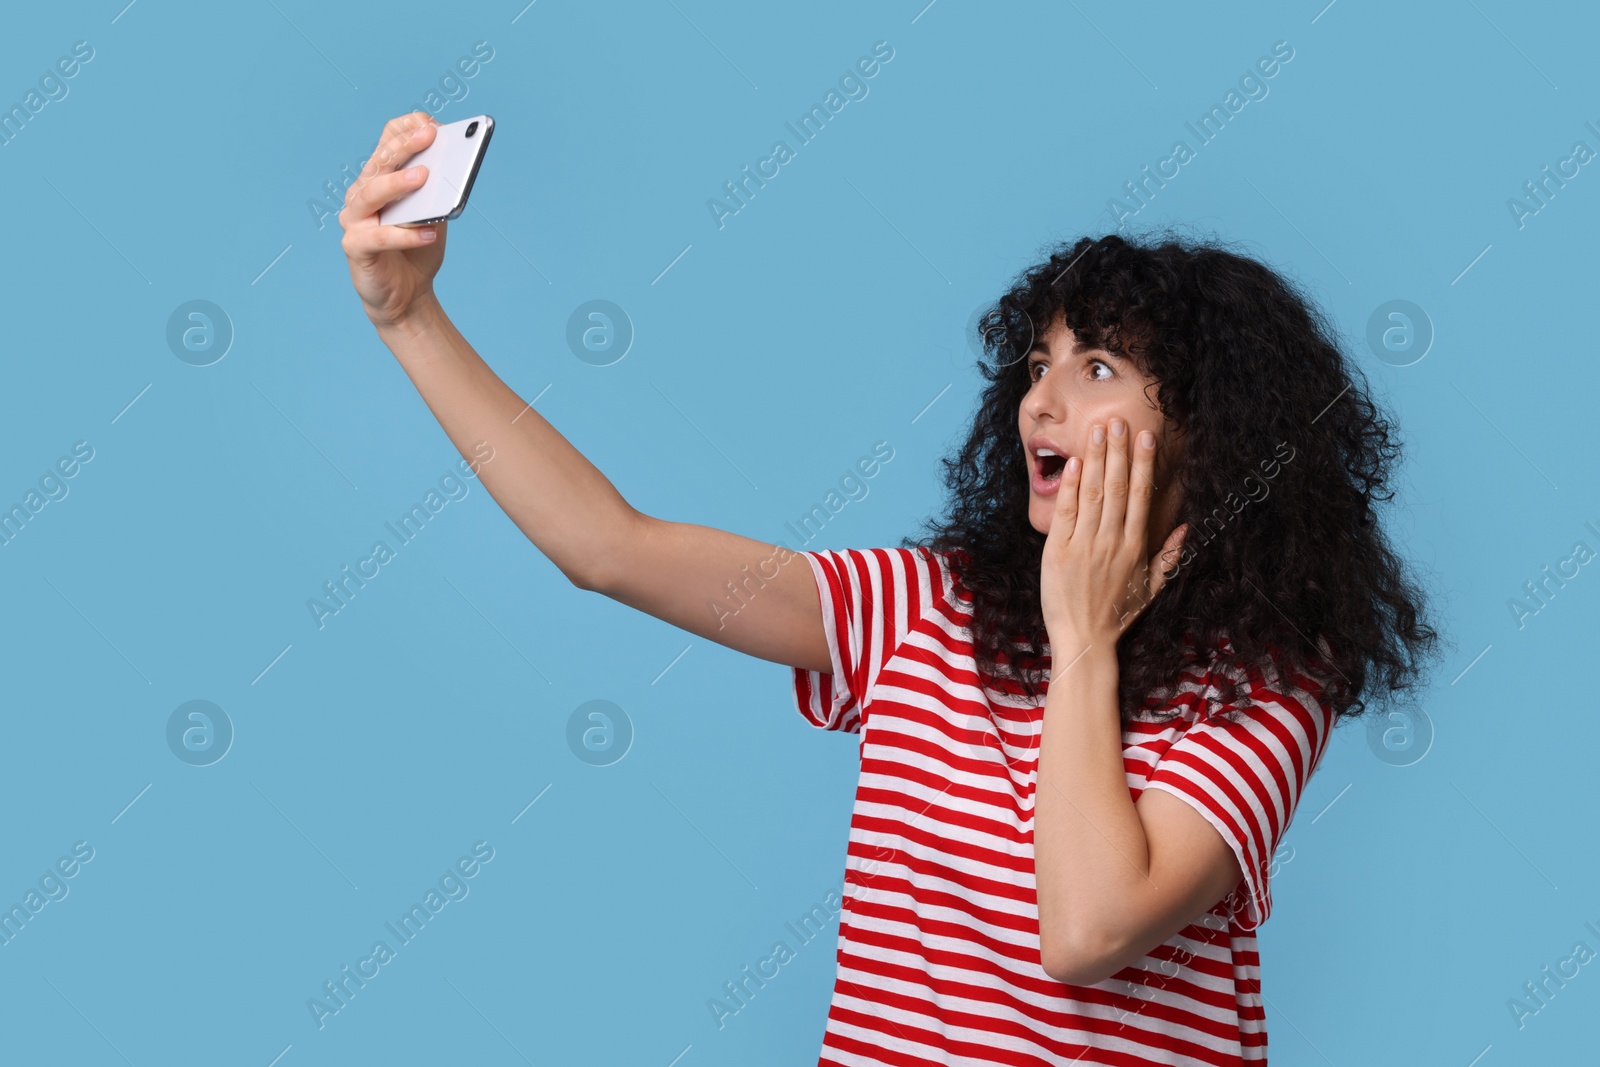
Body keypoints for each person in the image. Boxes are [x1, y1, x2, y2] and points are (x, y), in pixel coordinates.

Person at [340, 111, 1441, 1066]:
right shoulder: (925, 606)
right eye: (1036, 361)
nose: (1038, 402)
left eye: (1095, 367)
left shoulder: (1262, 684)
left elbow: (1090, 925)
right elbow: (608, 546)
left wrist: (1085, 640)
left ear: (1210, 432)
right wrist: (409, 319)